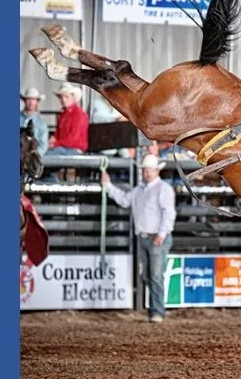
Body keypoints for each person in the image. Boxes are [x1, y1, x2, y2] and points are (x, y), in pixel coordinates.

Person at [101, 154, 176, 323]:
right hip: (143, 237)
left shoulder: (163, 189)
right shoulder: (139, 190)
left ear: (157, 171)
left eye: (150, 170)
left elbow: (168, 214)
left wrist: (161, 234)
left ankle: (157, 311)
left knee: (155, 275)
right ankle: (155, 310)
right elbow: (124, 200)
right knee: (149, 276)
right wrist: (108, 186)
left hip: (156, 237)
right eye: (145, 170)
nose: (147, 173)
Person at [45, 83, 88, 156]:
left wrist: (55, 143)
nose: (63, 100)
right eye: (61, 97)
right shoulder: (62, 115)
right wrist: (53, 140)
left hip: (75, 149)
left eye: (66, 97)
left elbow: (73, 140)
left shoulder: (79, 114)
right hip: (62, 148)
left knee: (47, 155)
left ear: (73, 97)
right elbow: (57, 135)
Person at [20, 87, 49, 157]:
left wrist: (32, 156)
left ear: (37, 101)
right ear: (24, 100)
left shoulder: (41, 123)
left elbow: (43, 146)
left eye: (33, 99)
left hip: (32, 158)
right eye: (28, 99)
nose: (31, 102)